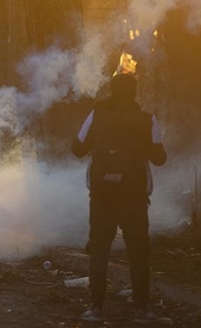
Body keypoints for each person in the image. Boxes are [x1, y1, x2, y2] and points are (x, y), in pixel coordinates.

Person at [71, 73, 167, 324]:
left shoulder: (97, 114)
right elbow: (159, 158)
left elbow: (77, 148)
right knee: (138, 252)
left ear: (111, 90)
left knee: (99, 250)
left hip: (102, 196)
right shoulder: (147, 120)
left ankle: (95, 309)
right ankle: (142, 311)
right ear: (134, 92)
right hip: (134, 198)